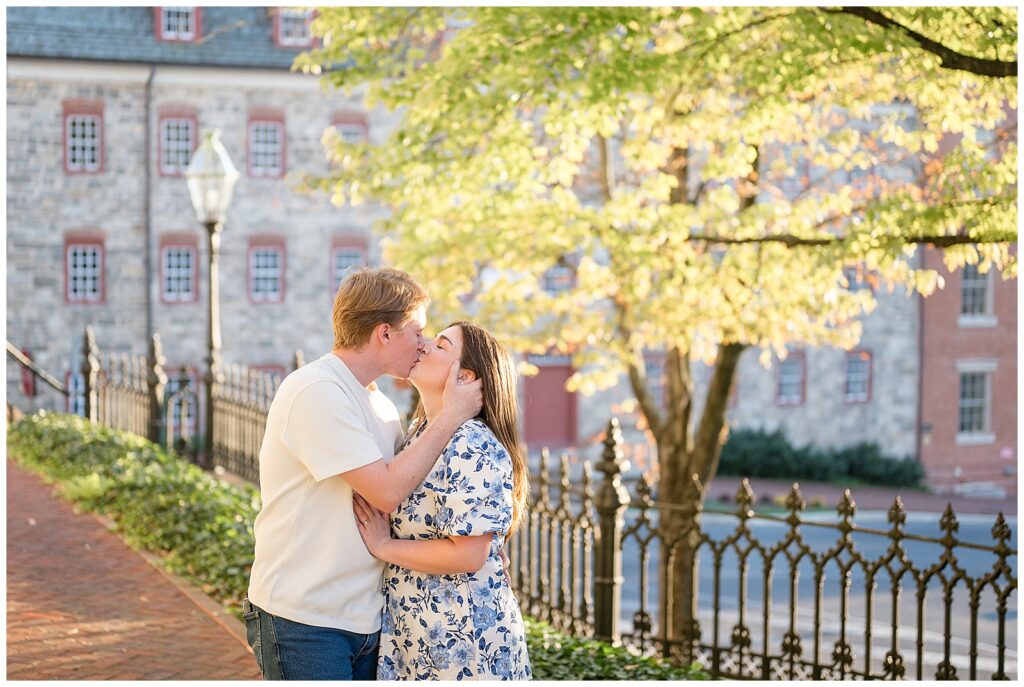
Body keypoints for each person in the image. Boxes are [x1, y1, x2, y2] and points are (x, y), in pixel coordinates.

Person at [243, 268, 483, 681]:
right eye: (417, 331)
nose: (423, 345)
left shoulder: (381, 407)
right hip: (305, 619)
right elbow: (387, 492)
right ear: (384, 333)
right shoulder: (315, 391)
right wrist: (452, 415)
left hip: (368, 621)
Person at [353, 321, 532, 680]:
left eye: (442, 345)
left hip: (465, 646)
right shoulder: (421, 434)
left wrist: (383, 546)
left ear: (465, 378)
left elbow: (468, 554)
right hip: (418, 639)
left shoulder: (470, 443)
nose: (425, 344)